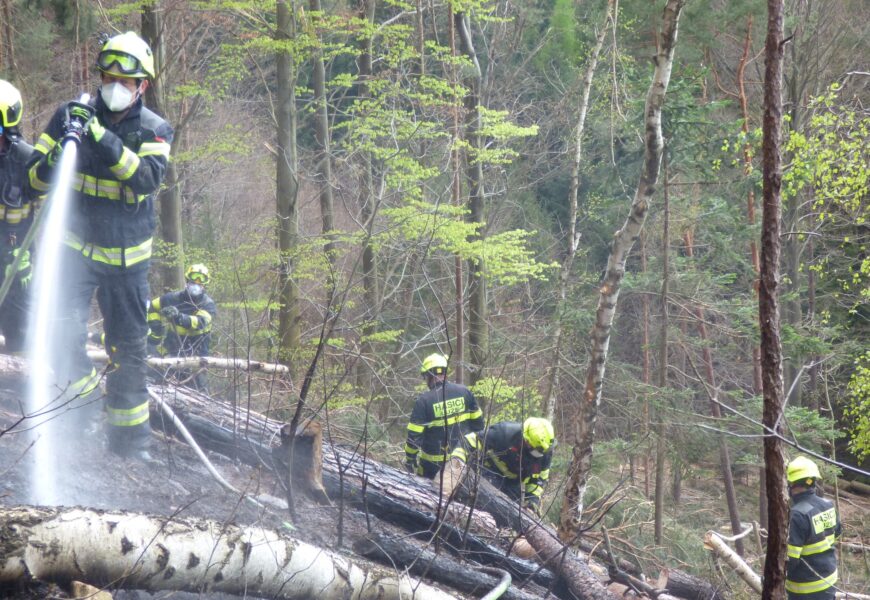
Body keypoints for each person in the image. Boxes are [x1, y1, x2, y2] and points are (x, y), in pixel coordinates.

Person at [27, 31, 173, 460]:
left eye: (125, 82)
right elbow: (32, 179)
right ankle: (81, 410)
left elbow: (145, 178)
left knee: (127, 352)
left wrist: (100, 138)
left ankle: (130, 444)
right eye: (109, 76)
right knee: (58, 332)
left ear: (142, 85)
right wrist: (63, 148)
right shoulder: (68, 116)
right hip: (73, 254)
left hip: (127, 265)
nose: (114, 87)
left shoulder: (155, 130)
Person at [404, 353, 484, 479]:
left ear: (429, 375)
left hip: (431, 468)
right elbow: (479, 427)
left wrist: (409, 459)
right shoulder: (465, 392)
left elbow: (414, 438)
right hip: (463, 464)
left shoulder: (424, 401)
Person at [452, 417, 554, 513]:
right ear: (526, 441)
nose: (540, 454)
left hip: (513, 482)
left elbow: (538, 480)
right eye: (536, 450)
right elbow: (469, 441)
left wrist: (532, 500)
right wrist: (457, 460)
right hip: (489, 471)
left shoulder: (545, 453)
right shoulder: (503, 433)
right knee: (489, 504)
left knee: (511, 513)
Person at [0, 80, 34, 353]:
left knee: (20, 330)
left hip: (17, 261)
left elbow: (52, 212)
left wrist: (25, 255)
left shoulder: (26, 161)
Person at [146, 263, 216, 391]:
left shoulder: (207, 305)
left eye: (200, 282)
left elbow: (198, 323)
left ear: (205, 285)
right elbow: (151, 307)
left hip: (196, 359)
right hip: (170, 352)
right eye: (194, 280)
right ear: (187, 280)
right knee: (160, 385)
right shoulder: (172, 298)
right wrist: (156, 327)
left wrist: (178, 317)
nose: (196, 284)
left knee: (199, 393)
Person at [786, 456, 842, 600]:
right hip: (829, 579)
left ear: (792, 484)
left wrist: (771, 578)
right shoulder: (827, 504)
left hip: (805, 589)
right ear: (813, 482)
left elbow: (790, 559)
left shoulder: (797, 514)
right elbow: (837, 532)